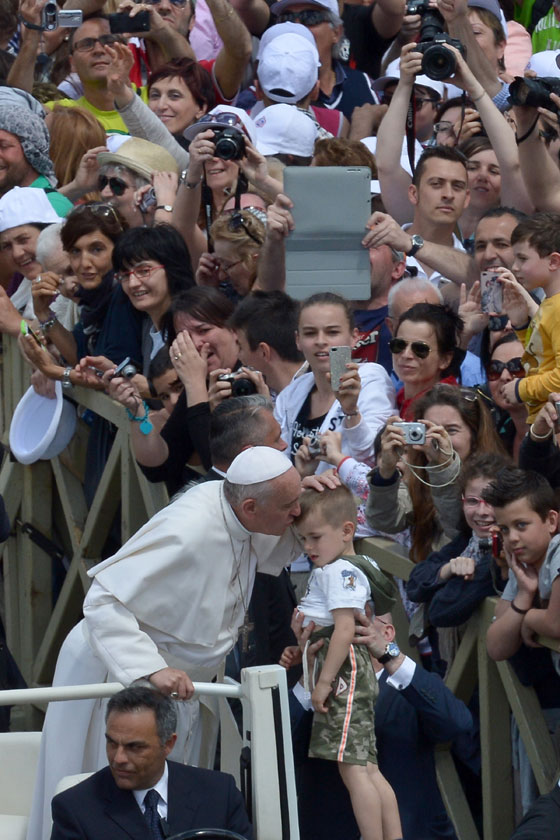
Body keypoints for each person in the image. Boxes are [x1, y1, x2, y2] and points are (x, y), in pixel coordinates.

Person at [27, 445, 307, 840]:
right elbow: (103, 601)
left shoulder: (239, 510)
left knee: (170, 800)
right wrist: (151, 668)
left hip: (182, 682)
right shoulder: (188, 532)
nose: (298, 512)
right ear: (249, 507)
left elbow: (271, 540)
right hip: (119, 669)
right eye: (290, 506)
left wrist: (313, 499)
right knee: (108, 801)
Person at [290, 609, 474, 840]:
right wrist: (309, 677)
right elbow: (279, 754)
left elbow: (457, 723)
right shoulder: (316, 690)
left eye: (356, 623)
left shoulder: (409, 686)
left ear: (386, 633)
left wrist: (392, 657)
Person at [287, 485, 402, 840]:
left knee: (353, 770)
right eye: (303, 538)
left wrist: (323, 682)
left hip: (343, 673)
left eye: (315, 537)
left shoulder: (339, 571)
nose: (308, 547)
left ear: (347, 530)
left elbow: (344, 629)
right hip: (344, 671)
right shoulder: (338, 568)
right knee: (366, 767)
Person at [50, 685, 253, 839]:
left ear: (168, 744)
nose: (119, 758)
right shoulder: (75, 809)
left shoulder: (219, 794)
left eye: (134, 747)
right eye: (112, 743)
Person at [274, 291, 396, 474]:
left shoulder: (371, 378)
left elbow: (374, 458)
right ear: (298, 340)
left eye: (332, 332)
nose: (320, 341)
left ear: (354, 337)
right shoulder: (291, 393)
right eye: (310, 333)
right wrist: (303, 477)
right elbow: (278, 461)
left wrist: (351, 411)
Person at [497, 213, 560, 422]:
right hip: (544, 420)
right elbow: (541, 358)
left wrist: (521, 389)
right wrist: (522, 326)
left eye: (522, 258)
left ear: (553, 261)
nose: (514, 267)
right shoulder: (550, 304)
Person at [0, 186, 61, 333]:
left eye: (23, 240)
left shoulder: (73, 279)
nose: (17, 253)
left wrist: (17, 325)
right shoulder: (21, 277)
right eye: (7, 246)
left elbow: (75, 344)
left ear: (49, 232)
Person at [229, 291, 306, 396]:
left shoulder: (320, 390)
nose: (238, 356)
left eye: (241, 348)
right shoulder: (263, 393)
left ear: (264, 352)